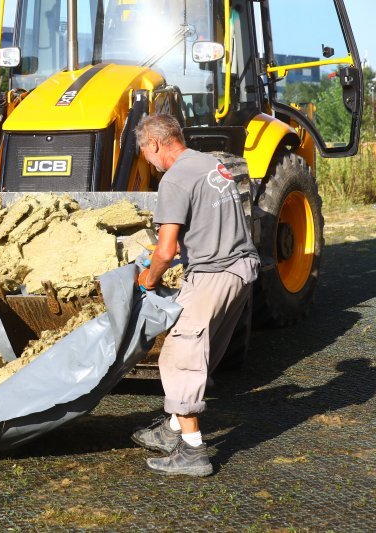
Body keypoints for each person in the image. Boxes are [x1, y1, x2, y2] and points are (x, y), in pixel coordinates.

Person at [131, 113, 259, 476]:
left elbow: (167, 251)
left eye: (144, 151)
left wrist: (148, 278)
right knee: (205, 349)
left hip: (213, 275)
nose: (146, 159)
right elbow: (206, 222)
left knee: (178, 356)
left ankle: (192, 452)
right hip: (241, 270)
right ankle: (172, 427)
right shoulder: (211, 164)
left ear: (154, 143)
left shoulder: (174, 179)